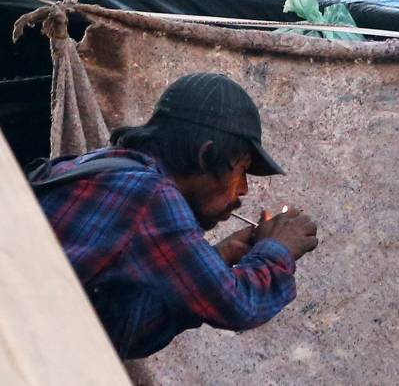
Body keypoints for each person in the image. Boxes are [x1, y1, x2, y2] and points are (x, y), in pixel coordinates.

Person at [31, 73, 317, 359]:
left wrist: (222, 255)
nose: (243, 189)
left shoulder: (97, 167)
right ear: (206, 155)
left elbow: (120, 331)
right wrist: (279, 249)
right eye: (241, 169)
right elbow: (241, 306)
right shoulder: (150, 195)